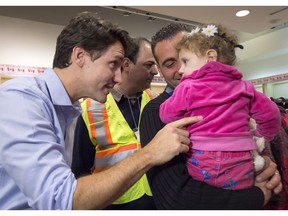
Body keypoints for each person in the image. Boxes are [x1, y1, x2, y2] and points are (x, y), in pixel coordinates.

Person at [0, 12, 201, 210]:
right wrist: (149, 154)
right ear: (80, 56)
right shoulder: (22, 100)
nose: (119, 78)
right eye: (113, 64)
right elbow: (61, 201)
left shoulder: (68, 110)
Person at [139, 22, 283, 209]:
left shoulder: (239, 95)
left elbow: (263, 140)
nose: (181, 70)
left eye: (185, 58)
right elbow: (175, 199)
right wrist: (256, 196)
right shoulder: (153, 111)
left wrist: (267, 169)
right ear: (159, 68)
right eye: (170, 63)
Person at [71, 37, 159, 209]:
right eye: (148, 65)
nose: (156, 71)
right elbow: (80, 171)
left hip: (156, 202)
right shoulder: (89, 110)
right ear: (126, 64)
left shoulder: (156, 104)